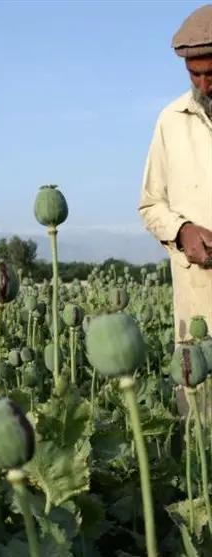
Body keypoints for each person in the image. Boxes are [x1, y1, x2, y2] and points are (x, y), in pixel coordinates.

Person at [139, 4, 212, 420]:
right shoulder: (171, 120)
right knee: (199, 419)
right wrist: (183, 231)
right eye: (194, 74)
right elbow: (151, 204)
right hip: (198, 296)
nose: (204, 84)